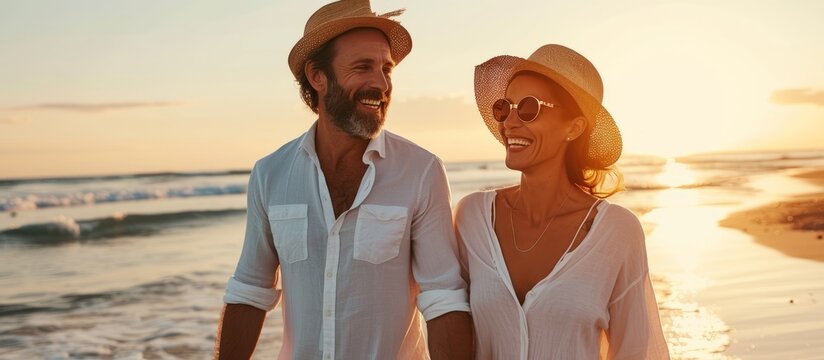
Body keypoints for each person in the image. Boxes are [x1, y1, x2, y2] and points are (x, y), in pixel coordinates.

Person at [214, 1, 473, 359]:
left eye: (387, 69)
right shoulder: (270, 173)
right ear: (318, 77)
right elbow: (249, 291)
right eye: (363, 67)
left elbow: (444, 298)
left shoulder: (421, 171)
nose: (381, 84)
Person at [454, 44, 670, 359]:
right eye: (505, 107)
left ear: (574, 127)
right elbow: (445, 316)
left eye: (528, 108)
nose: (510, 122)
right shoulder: (471, 216)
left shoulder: (618, 232)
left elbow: (636, 351)